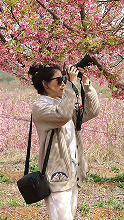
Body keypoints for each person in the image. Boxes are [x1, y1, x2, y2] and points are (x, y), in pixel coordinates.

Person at [28, 63, 100, 220]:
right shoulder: (40, 107)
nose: (63, 83)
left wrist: (86, 85)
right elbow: (63, 115)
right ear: (45, 84)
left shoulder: (63, 104)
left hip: (73, 171)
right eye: (59, 80)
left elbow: (92, 111)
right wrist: (71, 86)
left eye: (64, 79)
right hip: (56, 174)